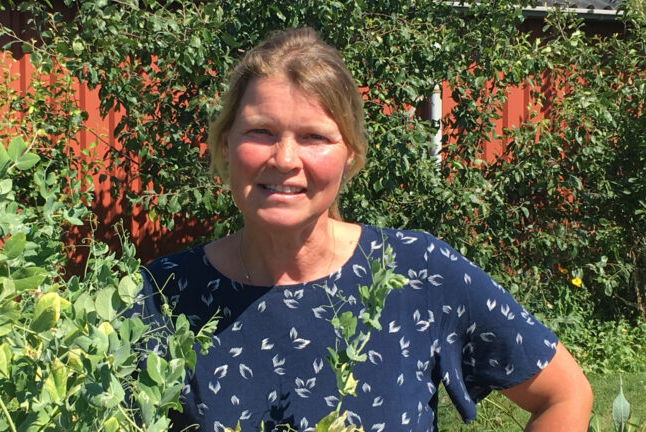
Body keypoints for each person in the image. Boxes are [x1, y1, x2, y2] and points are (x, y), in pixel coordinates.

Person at [135, 28, 592, 432]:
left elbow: (565, 394)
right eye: (260, 132)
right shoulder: (161, 294)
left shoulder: (417, 271)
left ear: (349, 154)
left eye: (314, 137)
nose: (285, 159)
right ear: (225, 144)